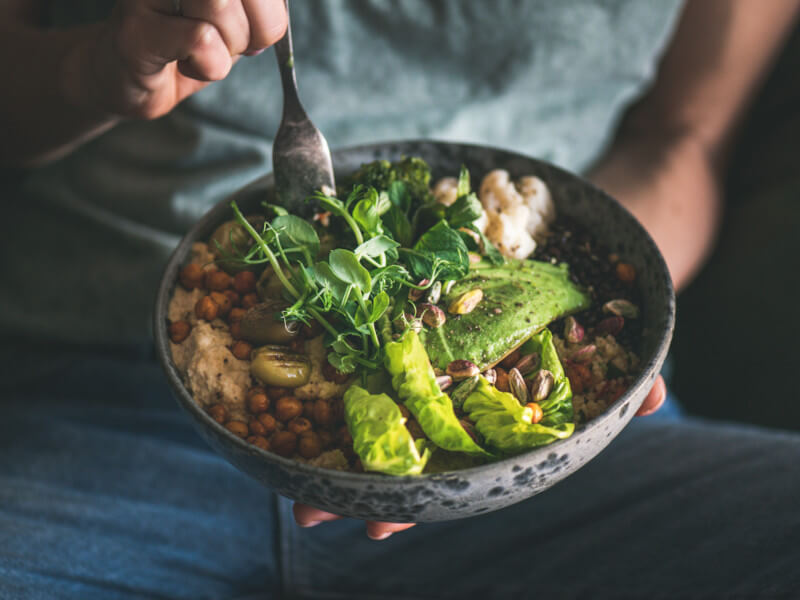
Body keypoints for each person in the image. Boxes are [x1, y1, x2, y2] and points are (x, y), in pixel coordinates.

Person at [1, 1, 799, 598]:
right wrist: (94, 69)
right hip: (96, 401)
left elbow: (685, 138)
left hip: (553, 472)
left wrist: (601, 340)